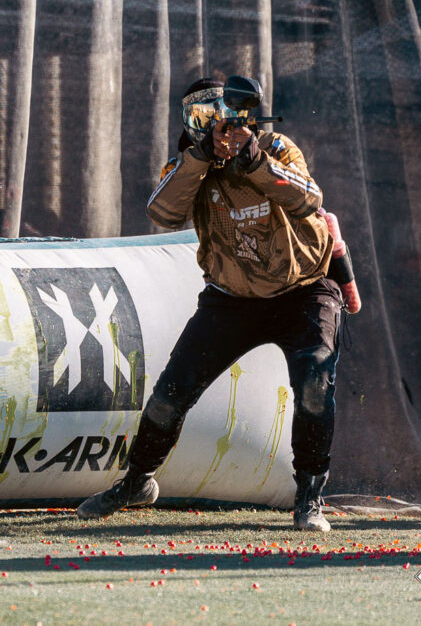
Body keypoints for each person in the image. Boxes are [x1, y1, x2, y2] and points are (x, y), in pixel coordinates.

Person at [77, 77, 342, 531]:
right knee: (169, 396)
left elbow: (308, 199)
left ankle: (309, 496)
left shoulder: (275, 148)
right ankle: (137, 481)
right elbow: (162, 212)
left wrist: (253, 160)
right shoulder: (188, 165)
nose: (219, 129)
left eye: (224, 118)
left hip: (304, 291)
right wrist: (201, 157)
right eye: (203, 120)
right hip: (231, 300)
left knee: (315, 386)